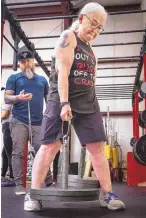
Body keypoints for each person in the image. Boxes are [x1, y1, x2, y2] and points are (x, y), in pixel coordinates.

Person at [24, 2, 125, 211]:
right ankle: (32, 194)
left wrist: (93, 105)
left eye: (100, 28)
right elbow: (62, 72)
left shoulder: (92, 52)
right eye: (93, 24)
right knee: (50, 145)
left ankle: (108, 194)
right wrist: (64, 103)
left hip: (87, 102)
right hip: (60, 98)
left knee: (97, 148)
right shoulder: (68, 38)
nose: (95, 30)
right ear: (81, 18)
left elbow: (92, 81)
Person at [4, 46, 52, 195]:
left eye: (28, 61)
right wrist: (18, 98)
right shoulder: (14, 78)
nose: (26, 64)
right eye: (22, 61)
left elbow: (49, 99)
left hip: (38, 122)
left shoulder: (43, 80)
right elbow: (7, 97)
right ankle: (19, 184)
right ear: (19, 63)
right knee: (17, 153)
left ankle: (49, 180)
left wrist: (49, 116)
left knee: (42, 151)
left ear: (33, 61)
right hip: (19, 121)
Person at [1, 101, 15, 187]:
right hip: (8, 126)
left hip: (8, 126)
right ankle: (3, 176)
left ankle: (12, 178)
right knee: (4, 154)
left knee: (9, 153)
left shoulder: (8, 101)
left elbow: (5, 114)